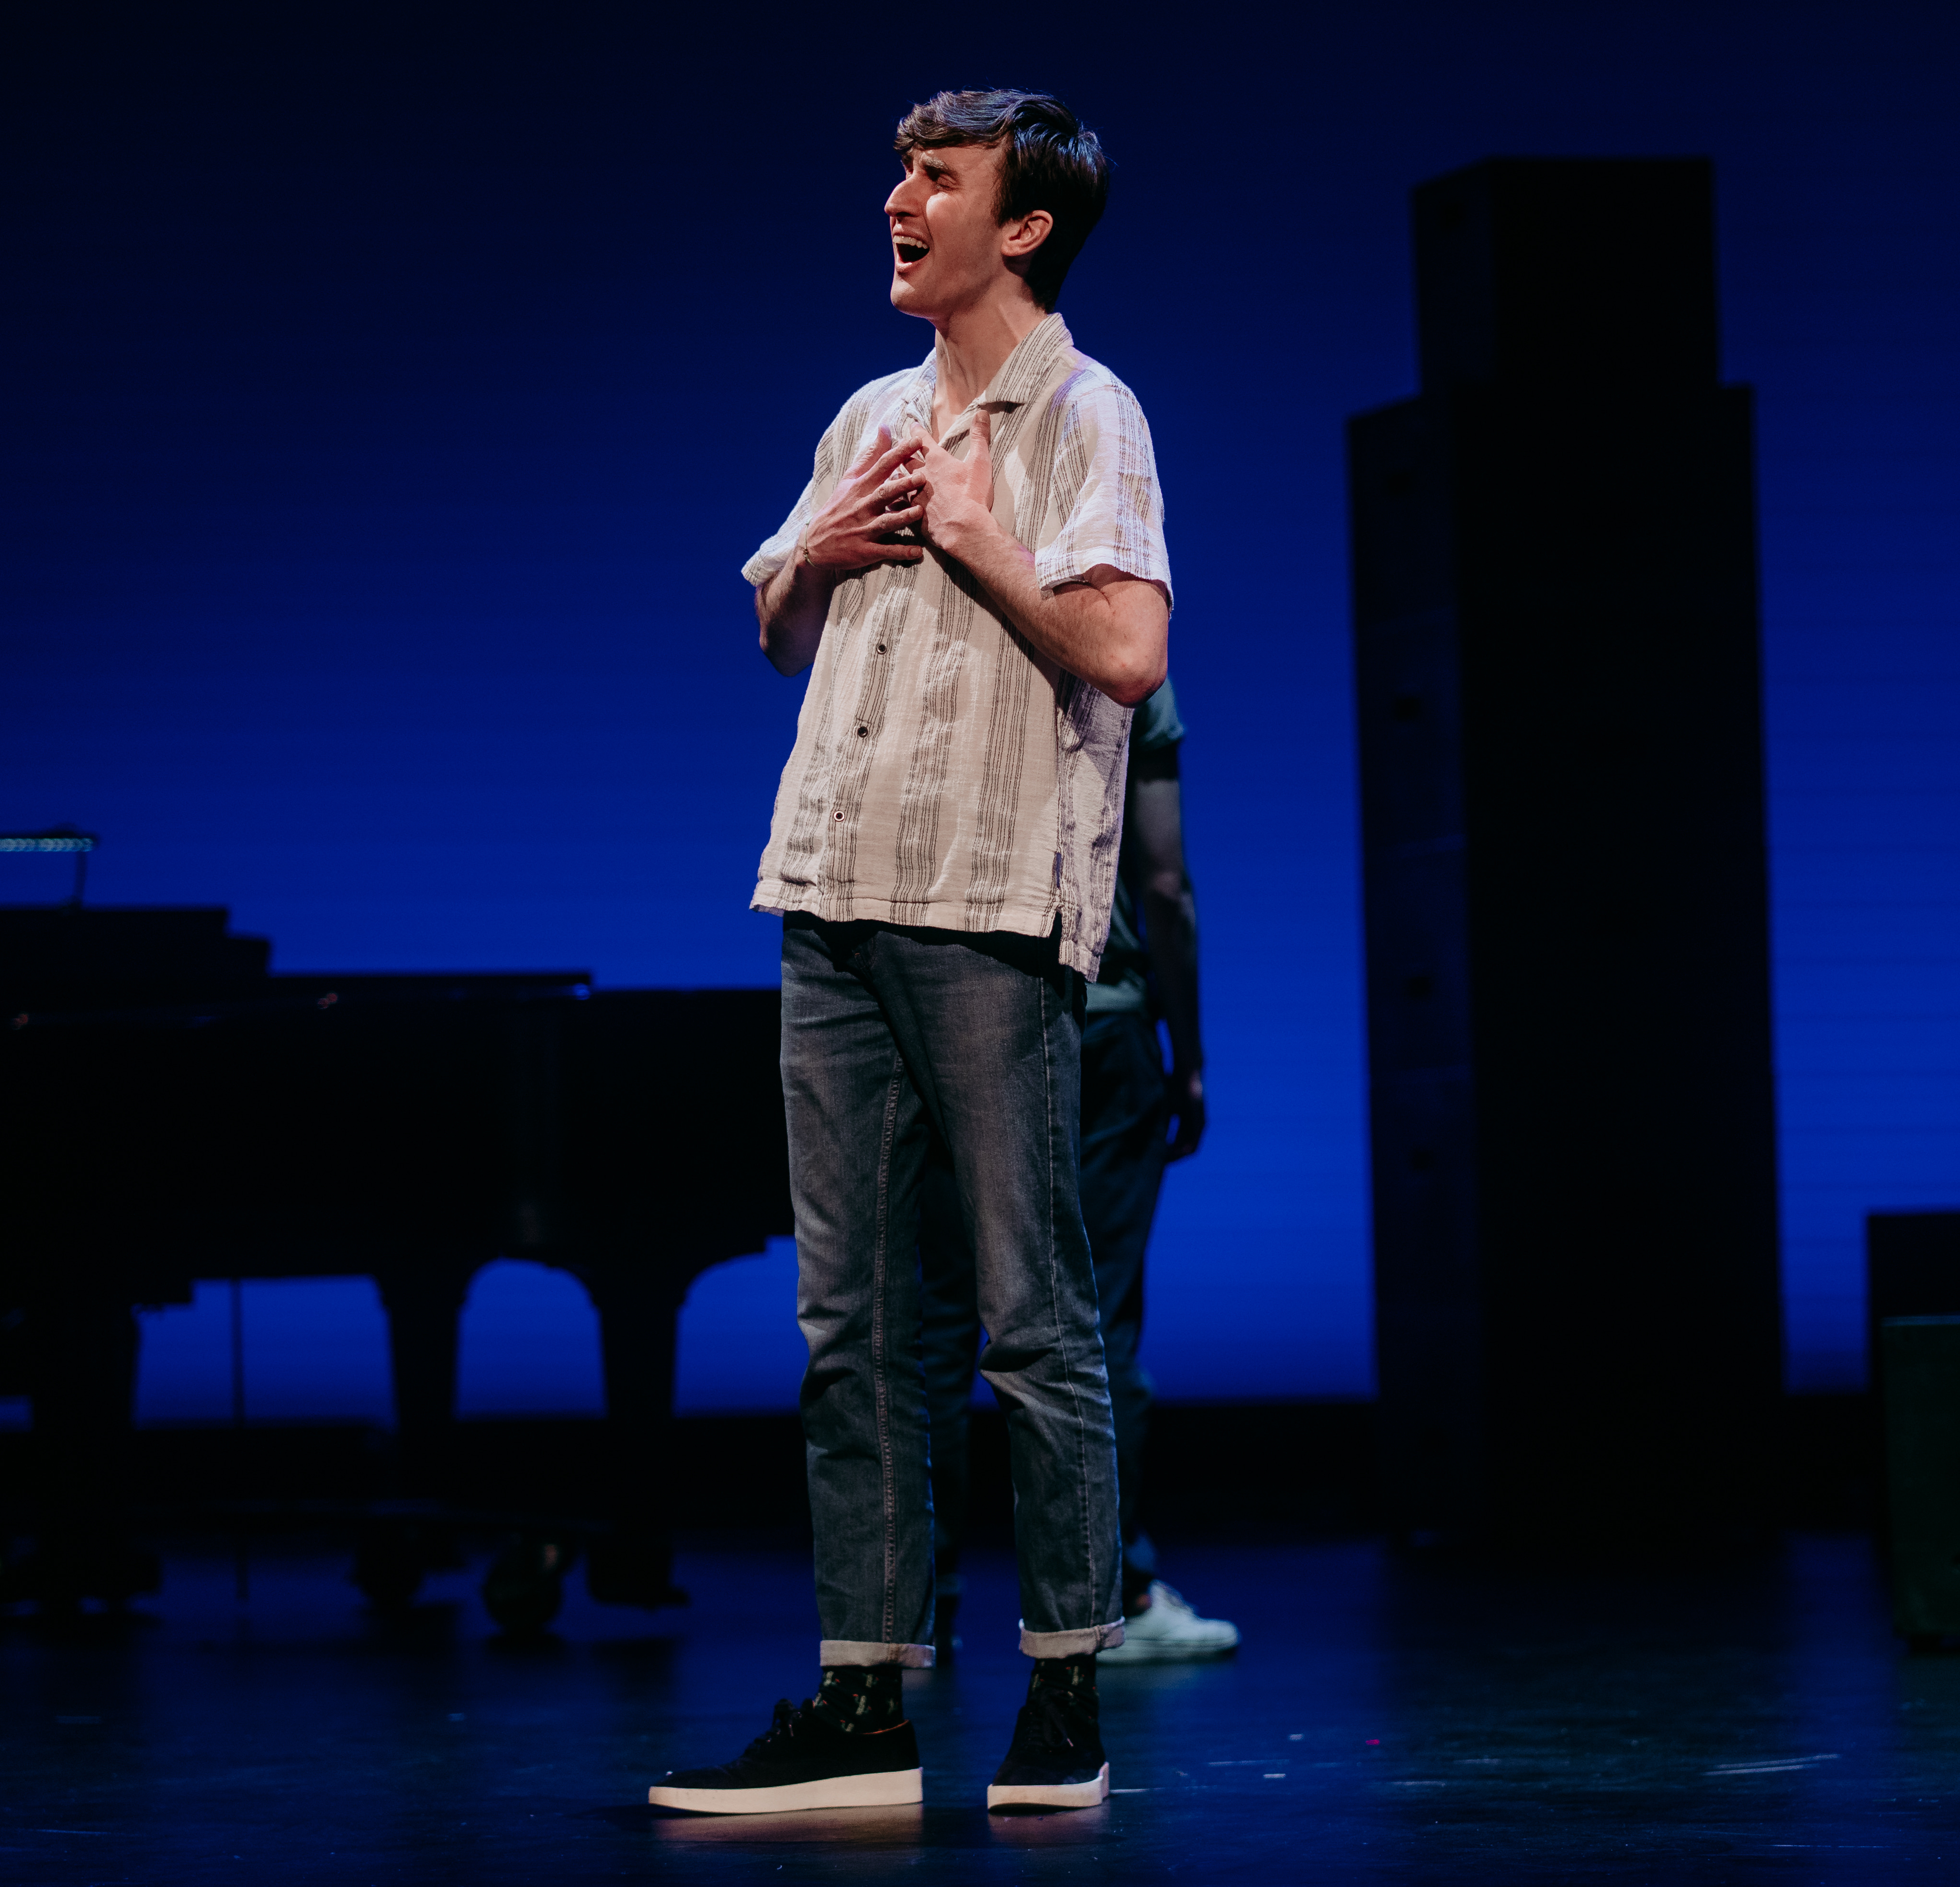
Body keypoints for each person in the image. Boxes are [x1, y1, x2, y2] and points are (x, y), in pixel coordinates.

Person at [647, 89, 1169, 1816]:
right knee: (850, 1327)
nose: (899, 200)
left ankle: (1065, 1693)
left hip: (984, 910)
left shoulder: (1086, 413)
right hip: (831, 892)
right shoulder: (870, 412)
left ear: (1020, 227)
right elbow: (778, 629)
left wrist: (973, 533)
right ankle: (862, 1701)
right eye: (899, 174)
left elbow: (1125, 649)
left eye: (936, 180)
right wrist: (817, 552)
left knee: (1031, 1318)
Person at [917, 678, 1239, 1664]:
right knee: (1093, 1319)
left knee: (939, 1325)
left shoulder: (946, 638)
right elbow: (1164, 884)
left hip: (954, 1012)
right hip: (1099, 1025)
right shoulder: (1125, 646)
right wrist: (1189, 1054)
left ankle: (917, 1606)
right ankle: (1111, 1597)